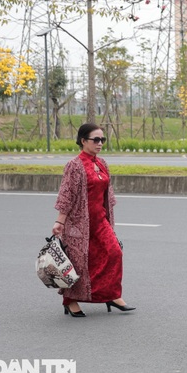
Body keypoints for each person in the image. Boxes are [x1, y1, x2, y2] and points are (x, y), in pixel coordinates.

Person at [52, 123, 135, 318]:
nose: (100, 143)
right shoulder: (74, 165)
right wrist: (60, 221)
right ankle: (70, 300)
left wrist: (108, 216)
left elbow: (108, 193)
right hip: (79, 224)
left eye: (102, 140)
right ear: (83, 141)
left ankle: (111, 295)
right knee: (78, 264)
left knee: (114, 253)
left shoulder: (102, 163)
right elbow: (67, 194)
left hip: (100, 220)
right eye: (95, 140)